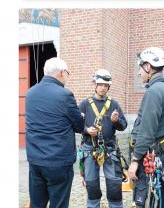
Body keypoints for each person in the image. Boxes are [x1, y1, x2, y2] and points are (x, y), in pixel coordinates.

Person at [25, 57, 85, 208]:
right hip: (58, 163)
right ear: (62, 73)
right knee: (58, 204)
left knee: (37, 204)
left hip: (35, 161)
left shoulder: (30, 93)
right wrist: (81, 117)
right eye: (68, 73)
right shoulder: (65, 95)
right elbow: (79, 126)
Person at [129, 47, 164, 208]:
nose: (139, 73)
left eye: (140, 67)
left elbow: (146, 132)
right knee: (160, 198)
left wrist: (134, 160)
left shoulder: (153, 92)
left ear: (148, 67)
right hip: (162, 158)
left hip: (149, 160)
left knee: (144, 201)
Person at [78, 69, 128, 208]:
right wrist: (87, 130)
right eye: (100, 84)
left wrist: (115, 122)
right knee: (92, 184)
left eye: (105, 85)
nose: (102, 88)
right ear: (95, 84)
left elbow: (123, 126)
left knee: (114, 184)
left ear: (108, 87)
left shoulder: (114, 104)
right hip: (89, 148)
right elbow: (75, 124)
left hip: (110, 149)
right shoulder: (85, 104)